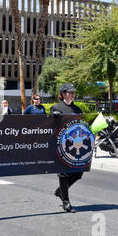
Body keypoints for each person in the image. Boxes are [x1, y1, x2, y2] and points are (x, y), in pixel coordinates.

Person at [50, 83, 83, 213]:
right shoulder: (56, 107)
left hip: (75, 145)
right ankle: (66, 201)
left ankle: (60, 191)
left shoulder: (78, 109)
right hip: (61, 145)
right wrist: (55, 117)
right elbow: (51, 126)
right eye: (69, 92)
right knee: (63, 173)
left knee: (78, 173)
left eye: (73, 92)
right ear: (63, 93)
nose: (71, 94)